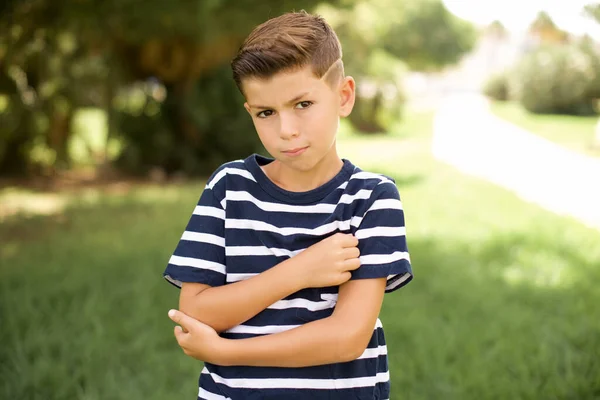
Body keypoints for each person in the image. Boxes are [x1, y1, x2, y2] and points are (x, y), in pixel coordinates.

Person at [163, 10, 413, 400]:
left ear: (343, 96)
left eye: (302, 104)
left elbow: (346, 337)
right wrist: (299, 271)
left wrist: (226, 351)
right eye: (266, 112)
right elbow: (195, 311)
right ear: (250, 112)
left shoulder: (371, 198)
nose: (286, 130)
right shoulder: (229, 188)